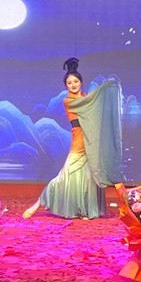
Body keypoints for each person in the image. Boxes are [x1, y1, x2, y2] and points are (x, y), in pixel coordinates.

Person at [23, 57, 123, 219]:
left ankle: (86, 210)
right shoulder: (69, 101)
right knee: (64, 175)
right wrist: (103, 90)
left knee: (89, 177)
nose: (73, 85)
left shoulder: (86, 97)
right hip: (79, 141)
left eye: (76, 81)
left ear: (81, 82)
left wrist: (109, 89)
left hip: (91, 140)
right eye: (69, 83)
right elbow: (90, 103)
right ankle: (38, 203)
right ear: (66, 86)